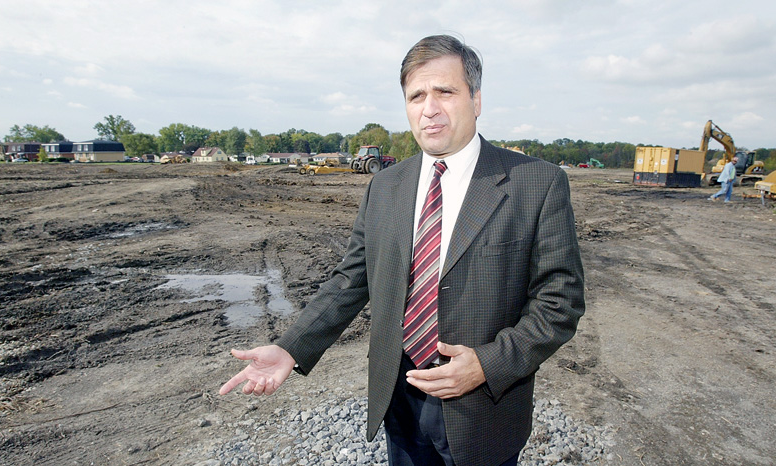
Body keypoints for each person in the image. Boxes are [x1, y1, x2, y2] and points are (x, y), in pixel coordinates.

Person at [220, 34, 585, 466]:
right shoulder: (386, 185)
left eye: (445, 92)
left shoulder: (535, 183)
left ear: (476, 99)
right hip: (400, 398)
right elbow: (352, 278)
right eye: (416, 96)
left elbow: (560, 302)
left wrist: (487, 364)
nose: (429, 108)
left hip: (483, 408)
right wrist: (291, 347)